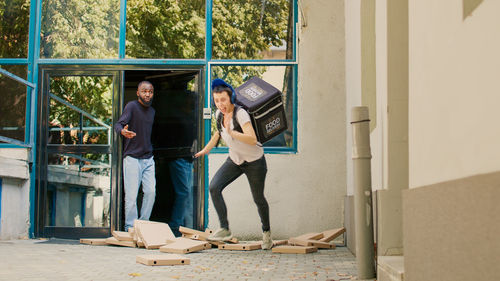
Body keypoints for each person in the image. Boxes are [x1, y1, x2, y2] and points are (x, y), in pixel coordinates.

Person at [194, 78, 273, 250]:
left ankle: (266, 233)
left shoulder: (240, 114)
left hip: (255, 162)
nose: (220, 104)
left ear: (230, 98)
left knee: (258, 199)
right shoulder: (218, 115)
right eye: (216, 101)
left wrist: (233, 133)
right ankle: (224, 228)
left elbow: (252, 139)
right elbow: (218, 134)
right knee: (214, 187)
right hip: (235, 160)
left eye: (223, 100)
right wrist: (206, 149)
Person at [114, 81, 156, 231]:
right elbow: (118, 125)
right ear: (138, 93)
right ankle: (130, 227)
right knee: (131, 197)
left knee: (151, 192)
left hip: (148, 158)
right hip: (132, 158)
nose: (147, 94)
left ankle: (143, 225)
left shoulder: (152, 111)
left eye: (150, 91)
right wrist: (123, 132)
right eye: (144, 91)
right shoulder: (131, 106)